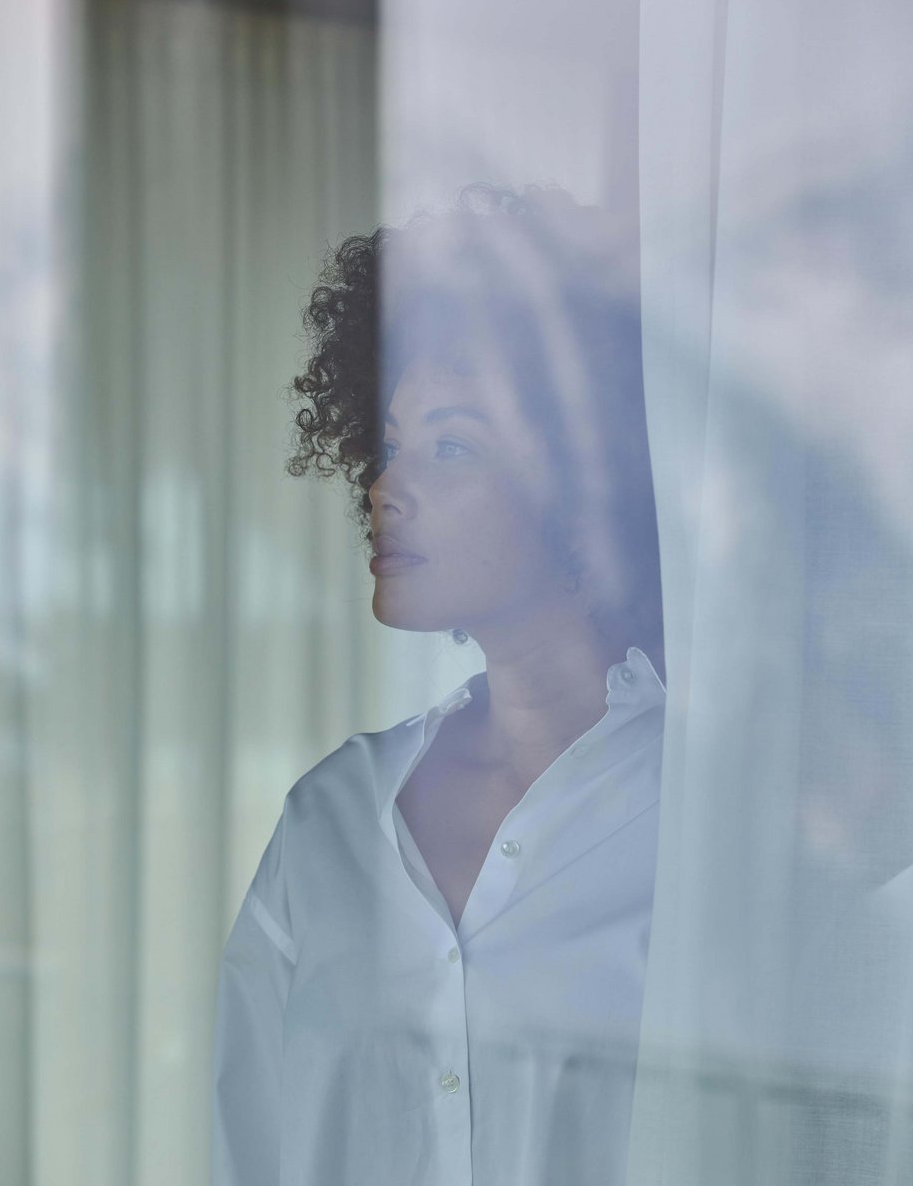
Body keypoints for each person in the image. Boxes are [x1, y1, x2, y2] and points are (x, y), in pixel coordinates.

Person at [211, 184, 666, 1185]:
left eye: (451, 446)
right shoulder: (329, 817)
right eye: (386, 444)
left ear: (586, 482)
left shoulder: (702, 817)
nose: (384, 486)